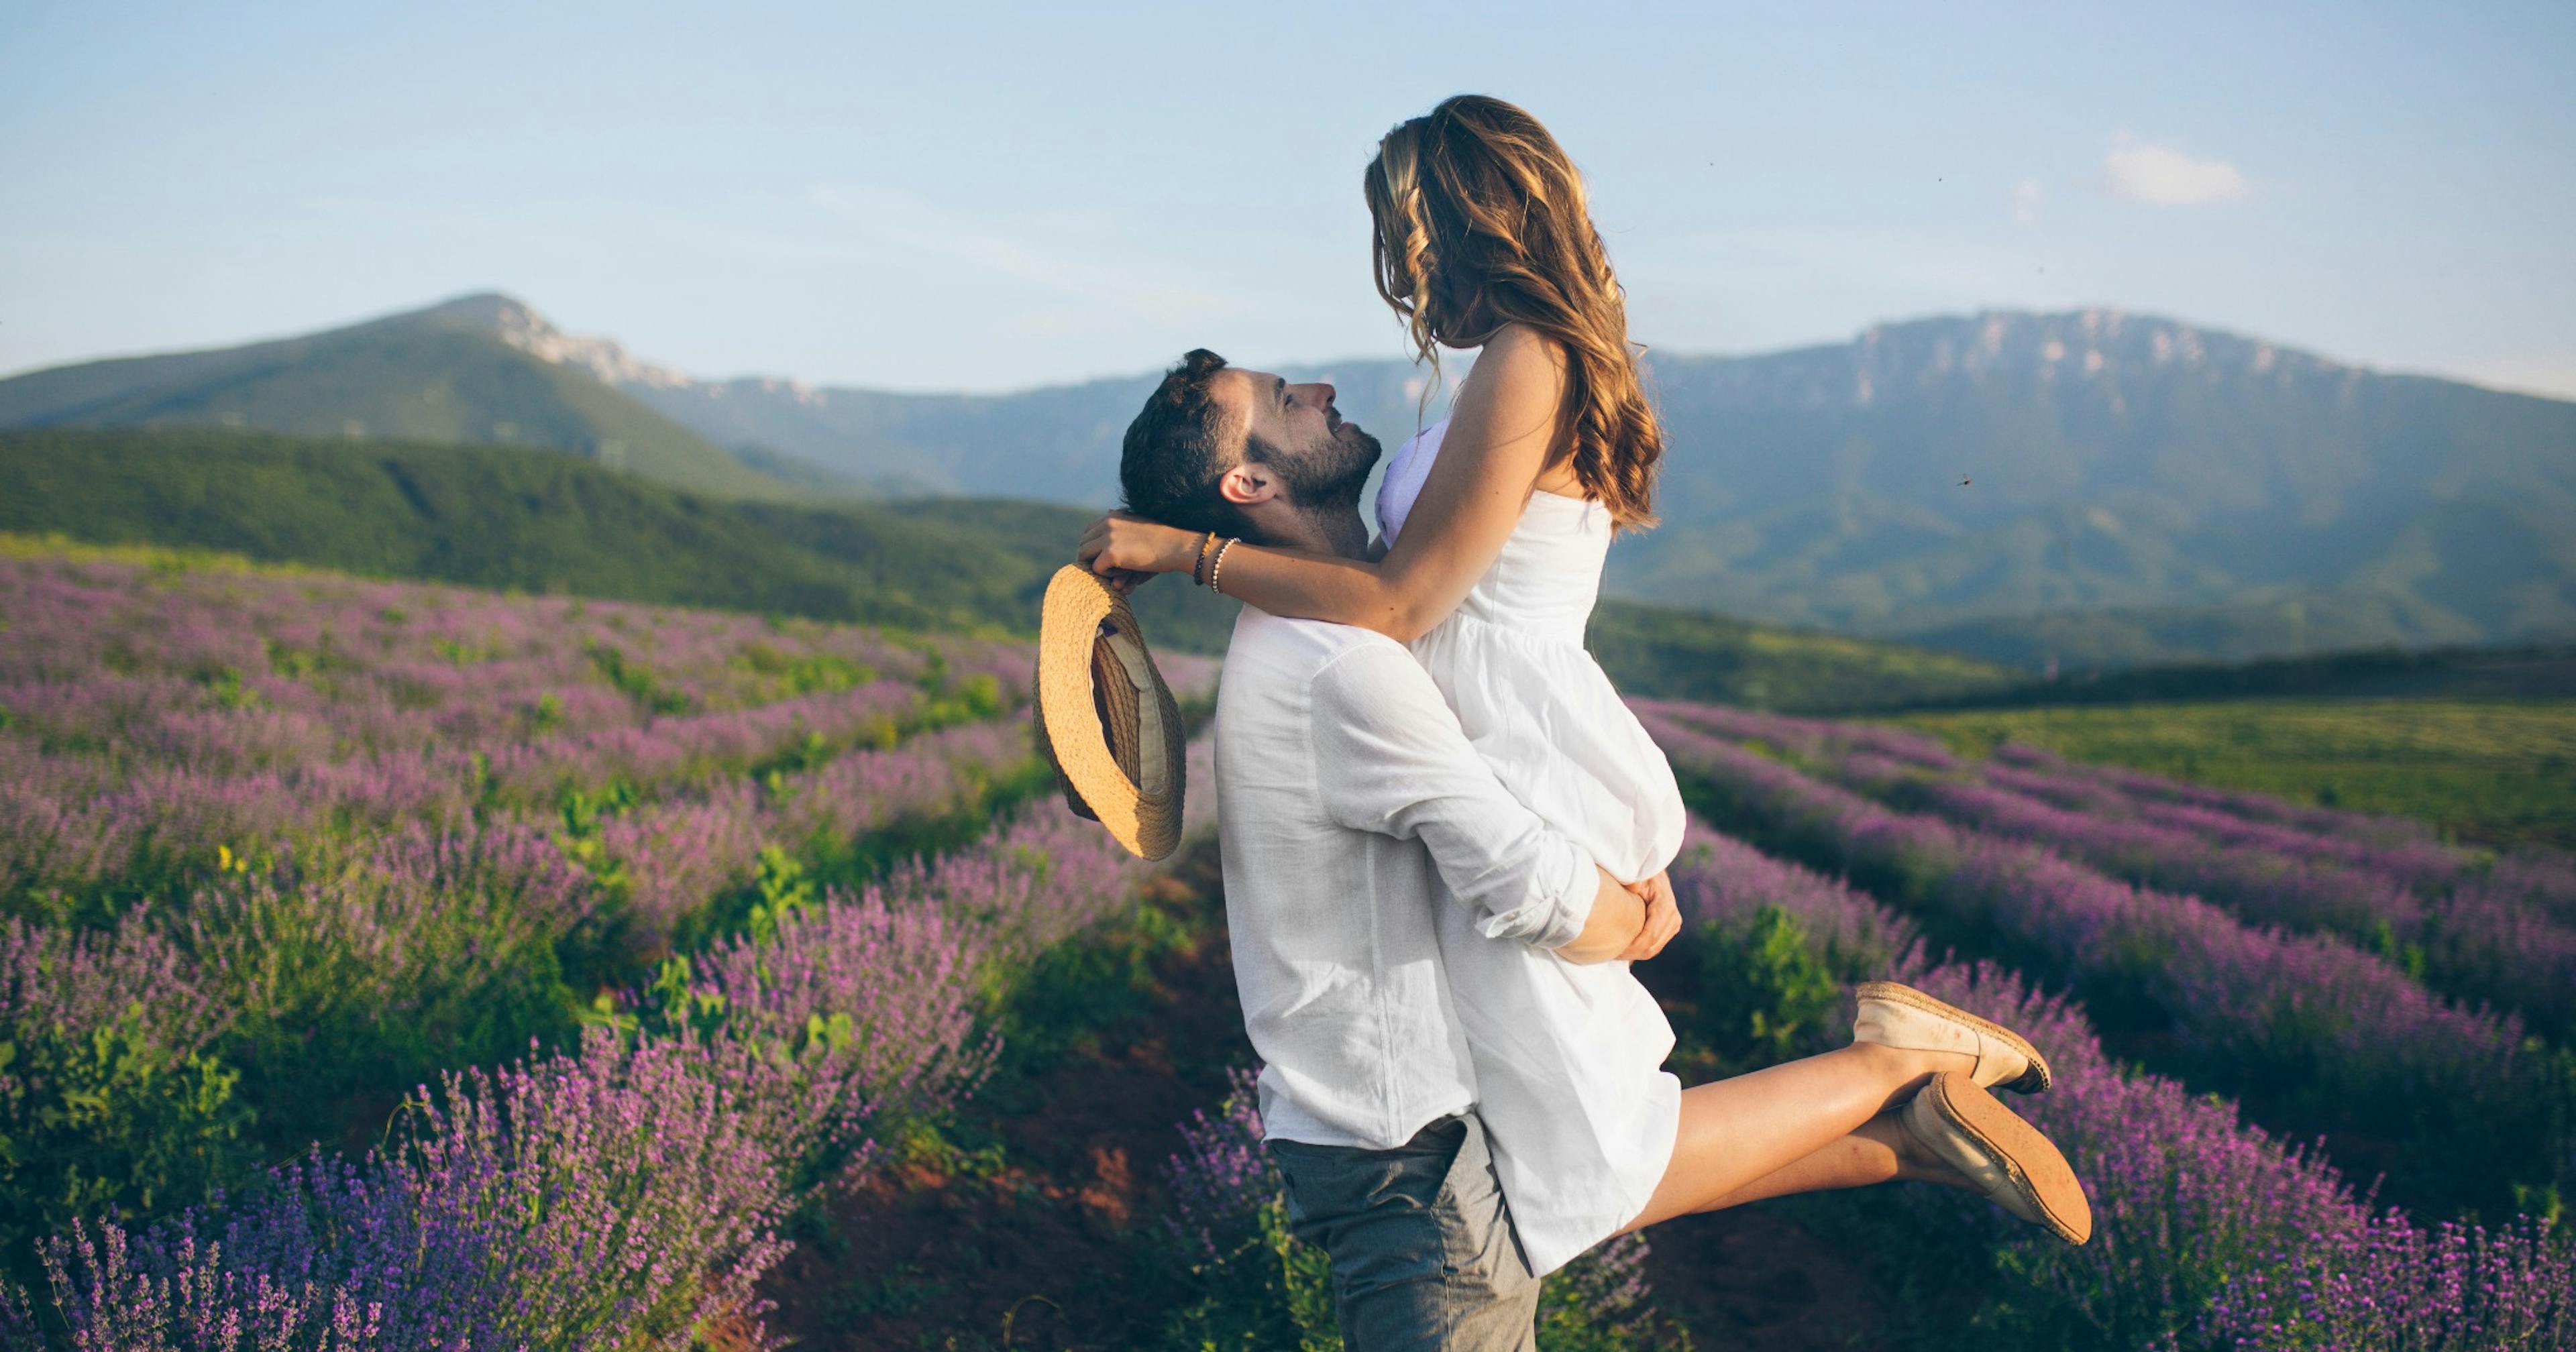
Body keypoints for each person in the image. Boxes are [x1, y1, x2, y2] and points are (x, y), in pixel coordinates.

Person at [1089, 93, 2090, 1340]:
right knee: (1563, 1162)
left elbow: (1400, 598)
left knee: (1577, 1151)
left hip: (1514, 748)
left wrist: (1191, 552)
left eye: (1404, 246)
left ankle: (1890, 1072)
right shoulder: (1508, 367)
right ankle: (1909, 1128)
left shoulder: (1530, 357)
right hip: (1488, 747)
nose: (1398, 283)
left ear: (1468, 225)